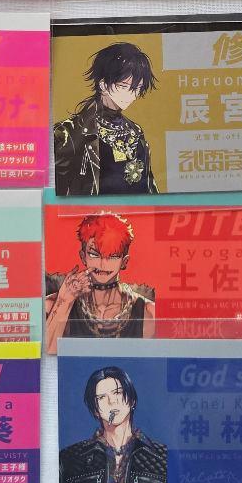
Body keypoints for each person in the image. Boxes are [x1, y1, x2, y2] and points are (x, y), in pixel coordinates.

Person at [54, 43, 158, 195]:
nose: (131, 95)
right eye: (123, 86)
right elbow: (60, 191)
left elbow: (150, 187)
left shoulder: (135, 130)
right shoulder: (68, 133)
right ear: (103, 84)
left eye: (136, 88)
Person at [45, 212, 156, 352]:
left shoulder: (148, 312)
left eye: (113, 256)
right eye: (94, 254)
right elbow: (47, 353)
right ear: (83, 256)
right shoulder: (52, 304)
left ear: (124, 261)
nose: (103, 264)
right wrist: (65, 301)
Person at [59, 366, 167, 483]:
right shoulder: (68, 459)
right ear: (95, 410)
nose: (112, 401)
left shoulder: (163, 457)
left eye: (117, 392)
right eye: (102, 397)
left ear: (132, 400)